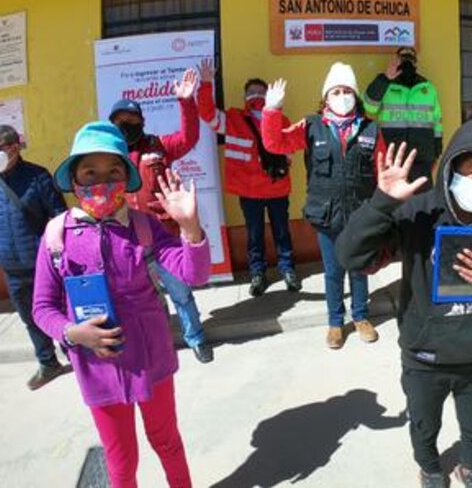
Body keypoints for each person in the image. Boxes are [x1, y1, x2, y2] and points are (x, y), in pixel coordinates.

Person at [336, 117, 472, 488]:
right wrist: (382, 204)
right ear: (454, 168)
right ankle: (429, 468)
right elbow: (350, 256)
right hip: (424, 356)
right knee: (424, 424)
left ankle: (471, 467)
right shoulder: (418, 212)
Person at [32, 121, 210, 487]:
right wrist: (70, 333)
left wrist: (190, 228)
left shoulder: (144, 226)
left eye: (113, 171)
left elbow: (194, 274)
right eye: (90, 172)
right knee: (121, 459)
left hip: (153, 361)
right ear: (75, 179)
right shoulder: (56, 235)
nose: (102, 180)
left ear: (127, 177)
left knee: (167, 443)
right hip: (98, 370)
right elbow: (42, 306)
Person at [260, 63, 384, 349]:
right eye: (336, 91)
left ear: (355, 96)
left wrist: (381, 211)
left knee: (359, 268)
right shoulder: (310, 125)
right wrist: (271, 112)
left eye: (347, 91)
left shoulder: (371, 129)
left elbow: (382, 171)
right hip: (326, 214)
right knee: (333, 271)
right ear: (326, 98)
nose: (342, 96)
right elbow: (274, 143)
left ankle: (362, 317)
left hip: (360, 214)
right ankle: (335, 323)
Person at [108, 67, 213, 363]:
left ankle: (196, 338)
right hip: (129, 245)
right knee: (143, 302)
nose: (126, 126)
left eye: (132, 121)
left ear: (142, 122)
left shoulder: (159, 146)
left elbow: (189, 137)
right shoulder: (110, 157)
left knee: (181, 295)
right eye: (120, 122)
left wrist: (186, 102)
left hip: (164, 240)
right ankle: (159, 344)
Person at [0, 125, 68, 390]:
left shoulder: (38, 177)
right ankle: (48, 364)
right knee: (30, 318)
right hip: (11, 269)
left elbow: (59, 216)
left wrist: (52, 248)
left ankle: (75, 355)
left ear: (14, 148)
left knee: (57, 313)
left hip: (42, 265)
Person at [195, 60, 300, 297]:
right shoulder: (233, 118)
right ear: (244, 96)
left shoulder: (280, 119)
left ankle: (288, 270)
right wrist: (205, 83)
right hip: (249, 192)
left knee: (282, 232)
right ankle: (257, 274)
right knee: (254, 235)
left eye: (260, 92)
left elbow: (290, 152)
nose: (256, 96)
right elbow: (207, 114)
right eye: (251, 92)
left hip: (276, 189)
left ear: (268, 94)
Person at [364, 46, 443, 187]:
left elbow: (437, 119)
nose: (407, 63)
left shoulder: (428, 88)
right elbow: (369, 106)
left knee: (422, 201)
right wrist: (385, 79)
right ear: (397, 61)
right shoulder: (386, 84)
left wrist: (437, 143)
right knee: (394, 201)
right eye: (403, 60)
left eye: (410, 60)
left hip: (422, 154)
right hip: (392, 154)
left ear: (416, 63)